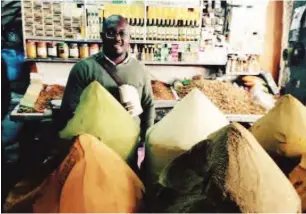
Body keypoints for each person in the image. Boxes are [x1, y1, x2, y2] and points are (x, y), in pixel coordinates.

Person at [58, 15, 155, 144]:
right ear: (102, 36)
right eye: (111, 33)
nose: (117, 38)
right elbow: (69, 110)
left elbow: (148, 105)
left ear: (129, 37)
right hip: (96, 145)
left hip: (129, 145)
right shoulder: (84, 69)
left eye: (122, 33)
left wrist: (145, 140)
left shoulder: (140, 69)